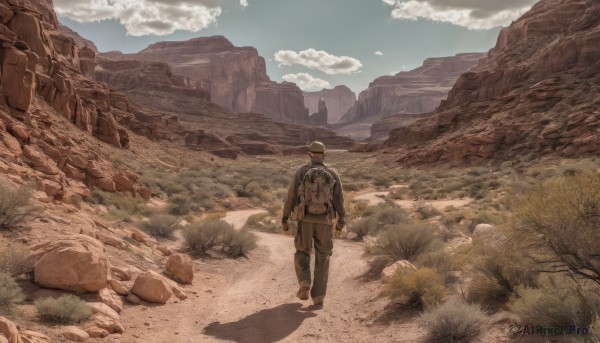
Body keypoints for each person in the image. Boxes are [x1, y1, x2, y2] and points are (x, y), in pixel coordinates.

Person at [282, 141, 345, 307]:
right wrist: (341, 220)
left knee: (302, 251)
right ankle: (318, 297)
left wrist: (285, 217)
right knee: (323, 256)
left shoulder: (302, 171)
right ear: (324, 154)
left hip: (305, 219)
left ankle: (304, 281)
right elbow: (339, 199)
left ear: (310, 154)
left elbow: (291, 197)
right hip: (325, 221)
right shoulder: (332, 172)